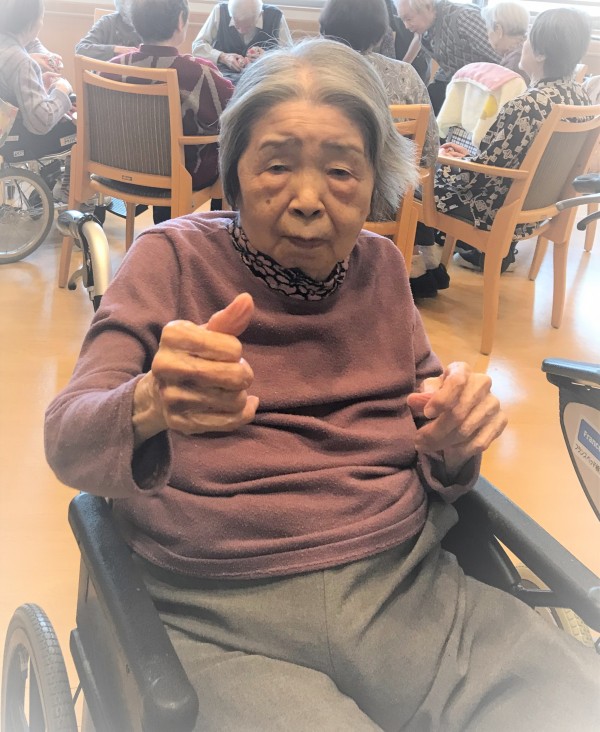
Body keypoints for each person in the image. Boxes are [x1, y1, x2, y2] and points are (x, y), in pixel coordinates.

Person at [45, 38, 600, 732]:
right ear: (236, 171)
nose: (308, 200)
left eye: (341, 170)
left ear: (374, 181)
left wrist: (457, 438)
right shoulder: (170, 261)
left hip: (407, 592)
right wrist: (149, 403)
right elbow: (68, 440)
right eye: (277, 165)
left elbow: (435, 442)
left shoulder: (382, 269)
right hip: (221, 613)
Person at [435, 8, 592, 273]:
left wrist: (448, 162)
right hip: (546, 207)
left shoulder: (527, 105)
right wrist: (468, 157)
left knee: (422, 177)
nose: (524, 43)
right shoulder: (581, 98)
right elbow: (510, 161)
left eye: (528, 37)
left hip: (497, 213)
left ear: (541, 53)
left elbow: (483, 177)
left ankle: (422, 270)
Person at [319, 0, 445, 298]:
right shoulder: (405, 75)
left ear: (325, 26)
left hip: (322, 195)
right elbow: (428, 152)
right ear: (379, 34)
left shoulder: (308, 70)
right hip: (388, 200)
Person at [106, 0, 234, 224]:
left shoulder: (112, 68)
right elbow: (234, 112)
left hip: (119, 171)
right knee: (230, 148)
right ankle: (218, 228)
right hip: (181, 176)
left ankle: (163, 227)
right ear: (180, 21)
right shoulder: (198, 73)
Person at [0, 0, 74, 170]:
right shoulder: (22, 62)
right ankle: (67, 181)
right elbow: (40, 123)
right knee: (75, 126)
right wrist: (62, 90)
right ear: (32, 24)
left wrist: (39, 83)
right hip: (12, 137)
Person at [396, 0, 500, 114]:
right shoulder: (426, 26)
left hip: (486, 87)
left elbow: (500, 57)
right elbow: (419, 40)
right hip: (458, 83)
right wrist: (402, 67)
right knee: (425, 104)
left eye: (409, 19)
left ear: (428, 7)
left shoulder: (463, 18)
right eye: (403, 20)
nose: (406, 26)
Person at [191, 0, 292, 83]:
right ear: (231, 14)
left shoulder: (276, 17)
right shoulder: (220, 11)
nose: (242, 31)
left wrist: (266, 58)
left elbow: (290, 58)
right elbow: (198, 46)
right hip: (222, 80)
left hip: (260, 83)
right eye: (237, 25)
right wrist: (222, 57)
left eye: (248, 26)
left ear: (260, 15)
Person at [75, 0, 141, 62]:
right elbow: (81, 49)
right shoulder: (108, 22)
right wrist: (116, 49)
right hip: (109, 69)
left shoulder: (146, 23)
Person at [482, 1, 530, 82]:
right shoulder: (524, 50)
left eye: (488, 29)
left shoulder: (514, 63)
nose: (487, 34)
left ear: (498, 30)